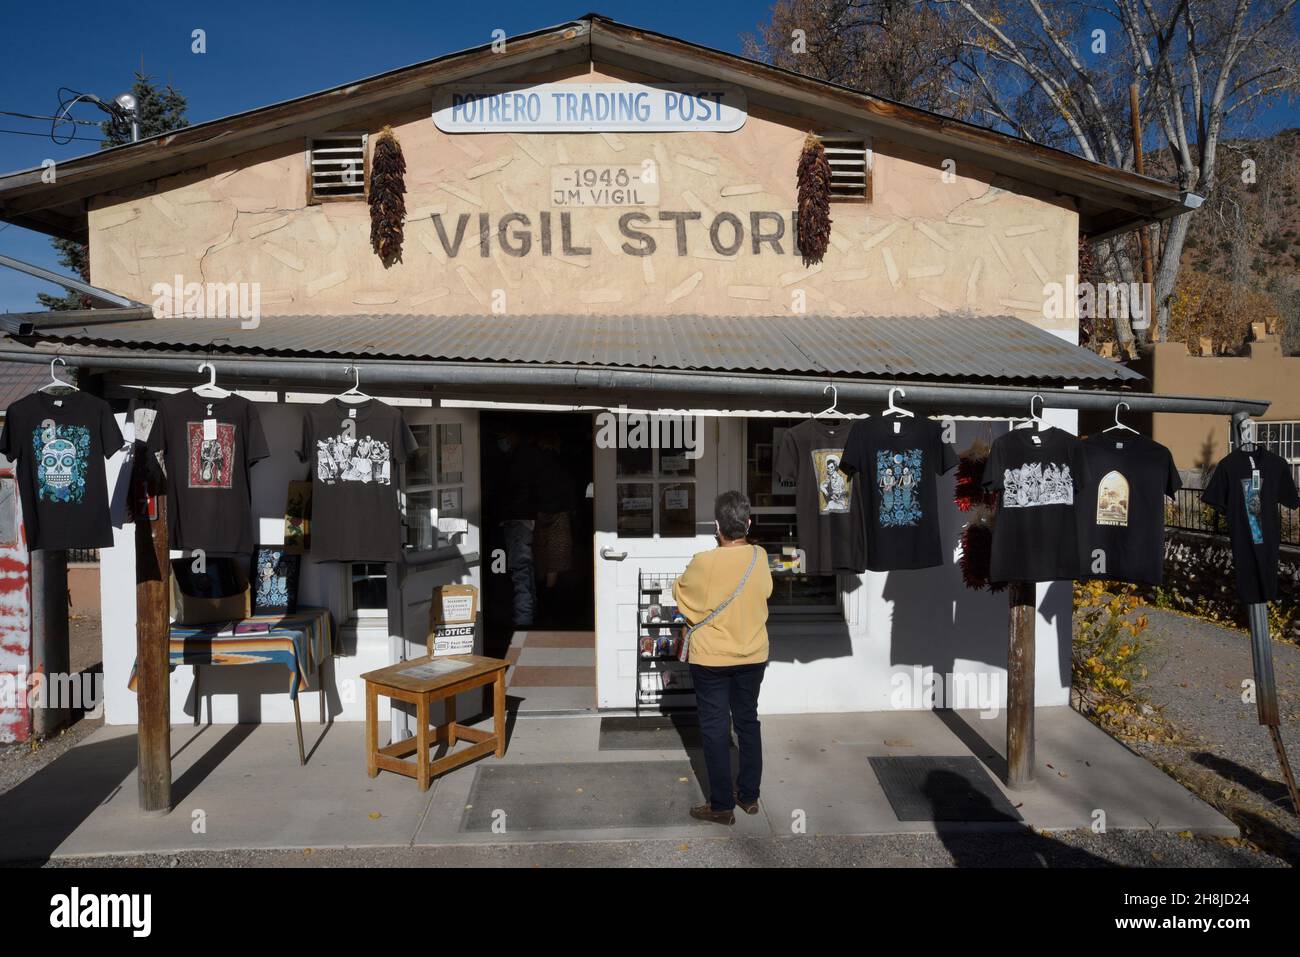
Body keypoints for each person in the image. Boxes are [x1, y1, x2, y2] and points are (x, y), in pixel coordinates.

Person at [672, 491, 773, 825]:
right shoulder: (760, 556)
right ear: (748, 522)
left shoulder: (705, 561)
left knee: (715, 728)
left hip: (712, 658)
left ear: (717, 526)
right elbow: (766, 592)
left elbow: (682, 593)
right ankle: (749, 796)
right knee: (747, 722)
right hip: (753, 654)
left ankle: (720, 805)